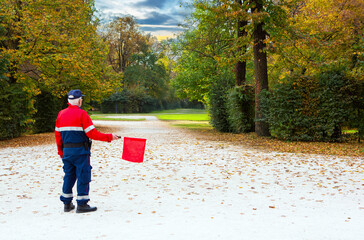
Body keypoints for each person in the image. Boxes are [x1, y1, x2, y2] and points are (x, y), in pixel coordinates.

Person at [55, 89, 119, 213]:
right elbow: (92, 134)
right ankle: (82, 204)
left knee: (69, 176)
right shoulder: (82, 114)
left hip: (67, 151)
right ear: (79, 100)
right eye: (81, 99)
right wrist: (109, 137)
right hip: (81, 151)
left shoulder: (61, 114)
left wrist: (61, 152)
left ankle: (67, 204)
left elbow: (58, 135)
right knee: (83, 175)